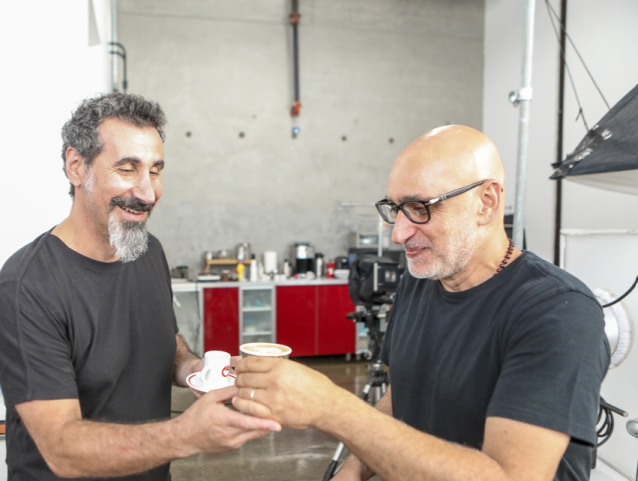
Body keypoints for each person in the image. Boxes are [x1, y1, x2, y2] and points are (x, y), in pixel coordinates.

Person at [233, 125, 609, 481]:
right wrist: (352, 472)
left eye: (420, 207)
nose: (398, 233)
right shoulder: (420, 280)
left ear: (486, 202)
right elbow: (401, 397)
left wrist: (333, 409)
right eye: (395, 208)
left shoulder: (556, 312)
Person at [0, 93, 280, 481]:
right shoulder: (27, 287)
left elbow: (164, 342)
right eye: (127, 169)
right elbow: (62, 449)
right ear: (76, 167)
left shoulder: (146, 250)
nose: (148, 193)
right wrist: (186, 434)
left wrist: (194, 370)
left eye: (155, 171)